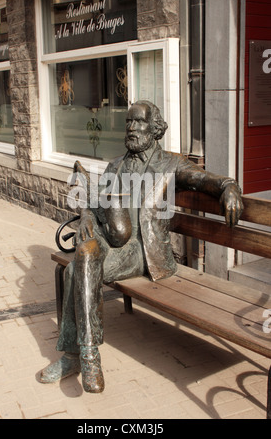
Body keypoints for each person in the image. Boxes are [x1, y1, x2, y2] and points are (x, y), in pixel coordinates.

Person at [39, 100, 243, 393]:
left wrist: (229, 187)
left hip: (143, 252)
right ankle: (89, 355)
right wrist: (84, 213)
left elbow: (206, 180)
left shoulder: (171, 164)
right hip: (112, 242)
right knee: (83, 257)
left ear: (155, 128)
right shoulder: (116, 165)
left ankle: (75, 355)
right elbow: (96, 202)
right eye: (128, 123)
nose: (132, 128)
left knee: (74, 273)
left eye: (139, 122)